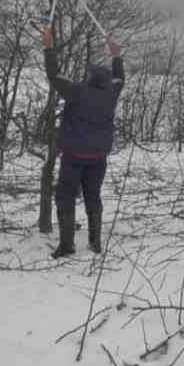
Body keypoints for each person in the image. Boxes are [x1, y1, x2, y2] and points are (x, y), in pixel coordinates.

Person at [42, 29, 124, 258]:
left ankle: (67, 245)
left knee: (65, 197)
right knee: (92, 196)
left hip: (74, 158)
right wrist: (116, 55)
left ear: (89, 79)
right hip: (98, 159)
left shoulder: (77, 91)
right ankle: (95, 242)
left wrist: (49, 47)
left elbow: (54, 75)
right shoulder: (111, 94)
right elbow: (121, 79)